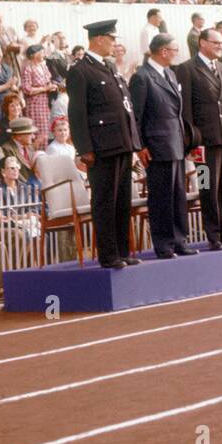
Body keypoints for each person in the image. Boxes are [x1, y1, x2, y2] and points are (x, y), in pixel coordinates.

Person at [66, 18, 142, 269]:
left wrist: (133, 141)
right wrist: (84, 148)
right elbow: (77, 112)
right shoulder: (80, 70)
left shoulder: (109, 66)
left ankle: (122, 250)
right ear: (98, 39)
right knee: (105, 201)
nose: (113, 44)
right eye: (111, 39)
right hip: (101, 146)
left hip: (121, 143)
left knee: (122, 201)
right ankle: (108, 255)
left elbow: (124, 105)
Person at [129, 33, 197, 259]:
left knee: (178, 194)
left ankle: (179, 239)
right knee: (161, 196)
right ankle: (163, 242)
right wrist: (141, 146)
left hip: (175, 142)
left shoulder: (169, 72)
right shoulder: (142, 77)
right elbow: (136, 116)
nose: (177, 54)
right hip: (157, 145)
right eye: (175, 49)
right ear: (163, 51)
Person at [177, 26, 222, 250]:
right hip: (203, 142)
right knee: (207, 186)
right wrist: (191, 141)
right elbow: (185, 109)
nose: (220, 47)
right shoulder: (187, 69)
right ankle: (213, 234)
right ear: (203, 43)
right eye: (216, 43)